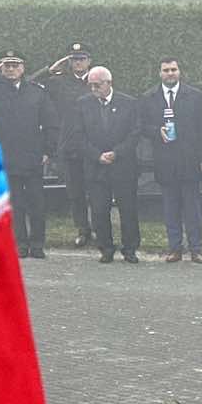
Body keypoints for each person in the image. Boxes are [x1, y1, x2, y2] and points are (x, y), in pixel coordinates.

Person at [0, 50, 56, 259]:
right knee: (15, 204)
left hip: (33, 156)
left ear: (23, 68)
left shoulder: (37, 92)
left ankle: (37, 244)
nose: (11, 69)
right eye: (6, 65)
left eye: (15, 65)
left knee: (37, 204)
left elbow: (51, 123)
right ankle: (20, 244)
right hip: (6, 157)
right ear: (1, 68)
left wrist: (48, 151)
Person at [140, 57, 202, 264]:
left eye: (173, 69)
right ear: (159, 73)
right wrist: (157, 131)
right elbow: (141, 126)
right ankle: (175, 248)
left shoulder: (195, 96)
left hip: (190, 161)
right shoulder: (149, 97)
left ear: (179, 71)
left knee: (192, 208)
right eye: (166, 70)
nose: (170, 73)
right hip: (165, 161)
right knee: (170, 208)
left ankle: (196, 249)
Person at [74, 65, 140, 264]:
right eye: (91, 85)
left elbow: (135, 133)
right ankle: (106, 248)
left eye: (97, 85)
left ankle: (130, 248)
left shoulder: (129, 103)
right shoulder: (82, 104)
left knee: (128, 209)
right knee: (99, 210)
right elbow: (78, 135)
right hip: (96, 166)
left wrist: (117, 153)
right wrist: (97, 156)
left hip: (123, 165)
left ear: (109, 83)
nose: (94, 89)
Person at [35, 42, 95, 247]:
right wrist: (50, 70)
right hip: (70, 146)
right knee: (75, 192)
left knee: (97, 191)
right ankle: (83, 230)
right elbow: (31, 86)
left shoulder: (97, 80)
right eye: (74, 59)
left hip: (94, 145)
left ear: (89, 61)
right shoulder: (58, 82)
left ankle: (100, 228)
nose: (78, 63)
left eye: (82, 59)